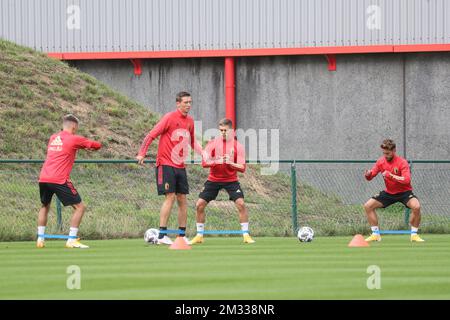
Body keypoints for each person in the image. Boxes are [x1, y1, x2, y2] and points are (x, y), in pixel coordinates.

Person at [137, 91, 202, 245]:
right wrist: (141, 153)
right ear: (178, 103)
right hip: (165, 164)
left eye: (190, 102)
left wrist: (203, 153)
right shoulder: (169, 118)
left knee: (182, 199)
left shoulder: (190, 121)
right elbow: (151, 135)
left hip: (180, 166)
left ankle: (181, 235)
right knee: (170, 196)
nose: (188, 105)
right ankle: (162, 235)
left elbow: (193, 142)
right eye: (185, 102)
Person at [37, 114, 102, 249]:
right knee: (80, 207)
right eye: (76, 128)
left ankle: (40, 239)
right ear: (74, 126)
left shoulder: (53, 138)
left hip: (44, 177)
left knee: (45, 206)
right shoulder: (74, 139)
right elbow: (96, 145)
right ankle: (71, 240)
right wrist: (92, 147)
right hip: (59, 179)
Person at [190, 118, 255, 244]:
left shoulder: (238, 146)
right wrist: (217, 161)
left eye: (225, 130)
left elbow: (242, 168)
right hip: (213, 180)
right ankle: (199, 236)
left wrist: (230, 162)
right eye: (221, 130)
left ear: (231, 130)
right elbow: (204, 163)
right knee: (199, 205)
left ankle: (246, 235)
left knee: (241, 204)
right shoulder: (212, 143)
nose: (223, 133)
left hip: (231, 180)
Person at [363, 139, 424, 242]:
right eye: (384, 153)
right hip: (389, 193)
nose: (385, 155)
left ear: (394, 150)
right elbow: (371, 175)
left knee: (416, 206)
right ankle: (375, 235)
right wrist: (368, 174)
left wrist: (391, 176)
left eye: (388, 153)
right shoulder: (380, 161)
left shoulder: (402, 162)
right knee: (368, 206)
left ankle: (414, 235)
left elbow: (406, 180)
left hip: (405, 193)